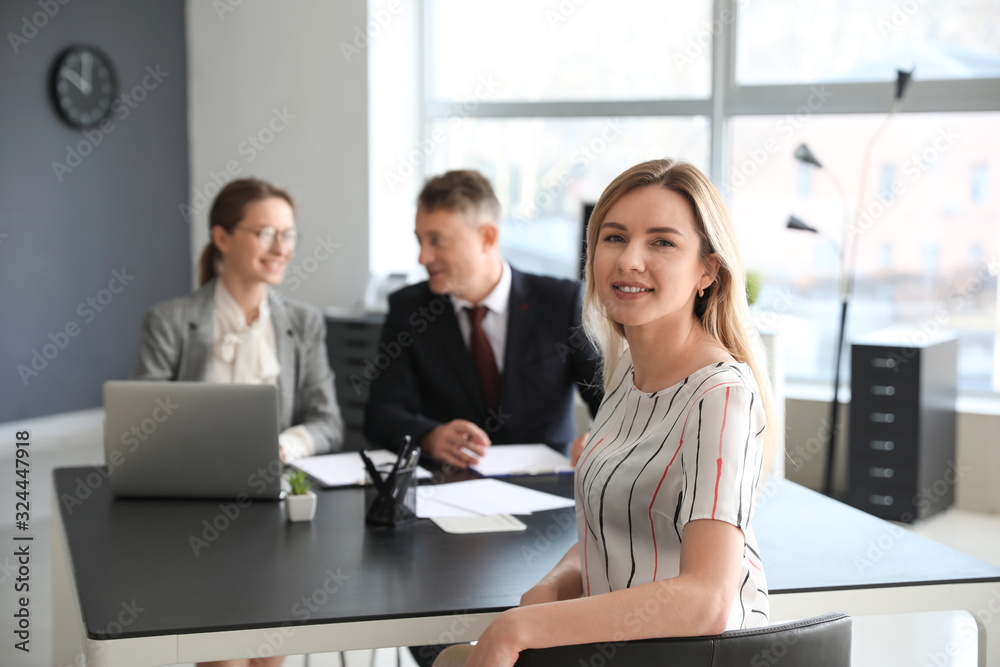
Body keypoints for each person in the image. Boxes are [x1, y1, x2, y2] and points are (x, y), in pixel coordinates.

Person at [433, 158, 778, 667]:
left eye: (662, 242)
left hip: (691, 656)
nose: (629, 260)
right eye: (614, 238)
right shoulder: (624, 380)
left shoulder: (720, 394)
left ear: (708, 269)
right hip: (621, 648)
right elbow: (610, 531)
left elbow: (706, 601)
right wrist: (553, 585)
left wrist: (522, 627)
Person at [363, 169, 603, 469]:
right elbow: (381, 414)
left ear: (487, 237)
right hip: (449, 486)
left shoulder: (561, 301)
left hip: (546, 483)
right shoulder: (409, 309)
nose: (423, 257)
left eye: (437, 240)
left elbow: (608, 398)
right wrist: (429, 436)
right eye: (420, 240)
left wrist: (600, 437)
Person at [134, 177, 344, 462]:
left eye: (289, 234)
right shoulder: (168, 321)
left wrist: (283, 448)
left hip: (273, 480)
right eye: (267, 233)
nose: (282, 249)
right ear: (222, 238)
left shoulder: (304, 321)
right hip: (193, 474)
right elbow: (142, 423)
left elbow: (328, 423)